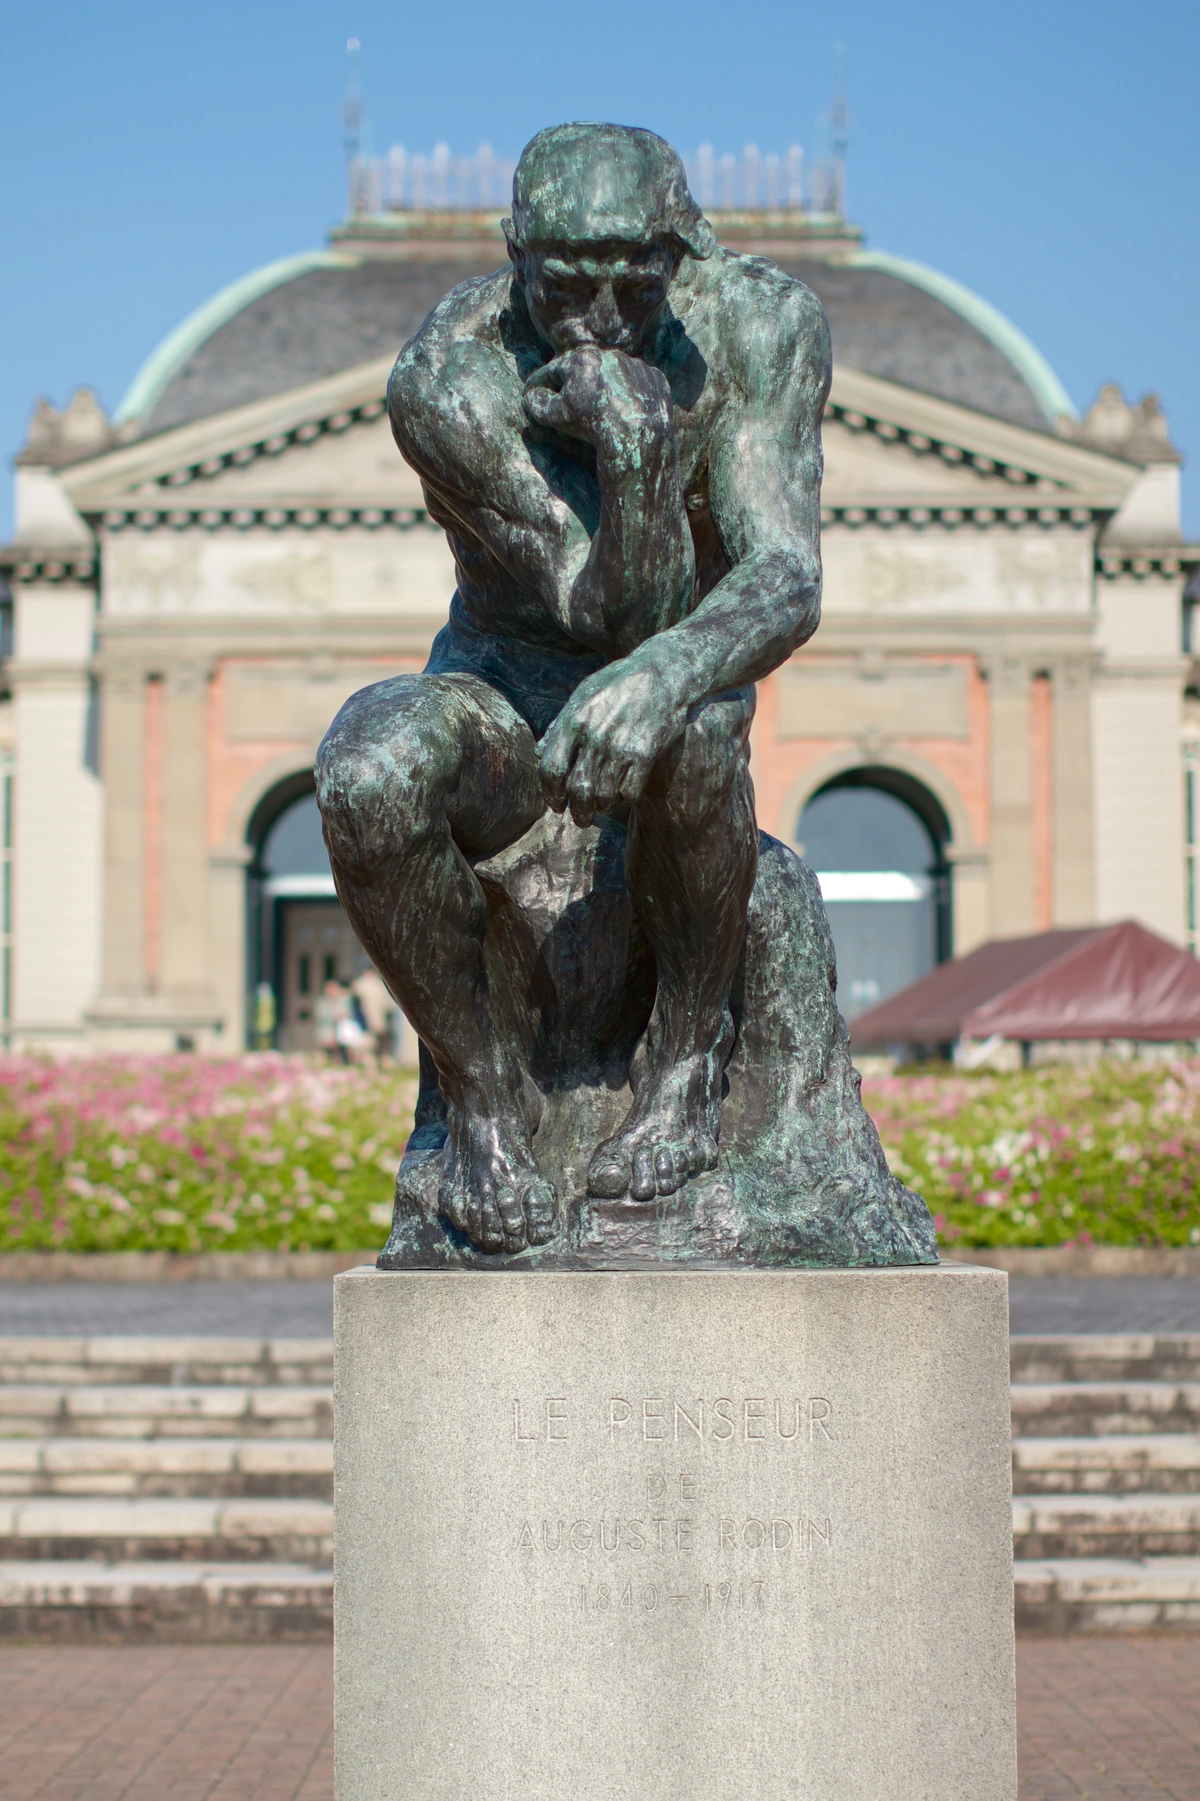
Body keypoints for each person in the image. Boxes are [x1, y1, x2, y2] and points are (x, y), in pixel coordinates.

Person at [316, 122, 829, 1254]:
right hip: (508, 704)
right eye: (561, 289)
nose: (598, 322)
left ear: (684, 254)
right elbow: (598, 611)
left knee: (698, 719)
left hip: (673, 696)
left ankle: (685, 1061)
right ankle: (484, 1102)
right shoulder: (448, 377)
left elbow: (786, 576)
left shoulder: (764, 324)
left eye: (634, 288)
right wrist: (637, 453)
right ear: (514, 254)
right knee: (367, 768)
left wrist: (662, 674)